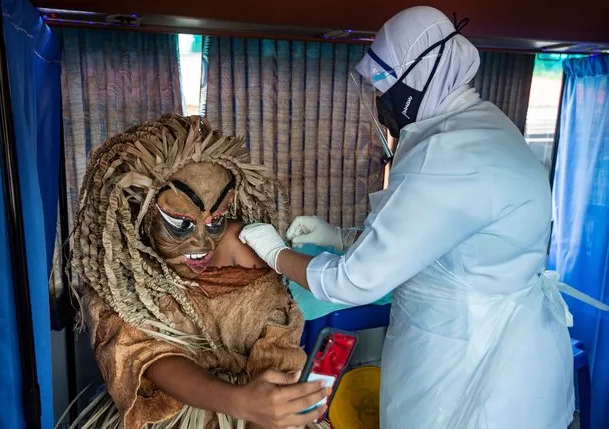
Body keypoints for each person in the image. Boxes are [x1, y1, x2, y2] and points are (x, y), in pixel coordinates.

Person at [238, 6, 576, 429]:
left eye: (384, 86)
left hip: (472, 359)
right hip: (494, 338)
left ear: (419, 79)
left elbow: (353, 283)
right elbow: (439, 243)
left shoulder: (450, 152)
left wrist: (276, 252)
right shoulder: (482, 126)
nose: (380, 101)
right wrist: (342, 237)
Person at [69, 114, 329, 429]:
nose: (202, 241)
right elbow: (143, 355)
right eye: (180, 223)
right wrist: (238, 401)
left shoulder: (241, 247)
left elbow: (275, 346)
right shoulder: (119, 267)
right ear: (136, 209)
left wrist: (273, 409)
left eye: (215, 220)